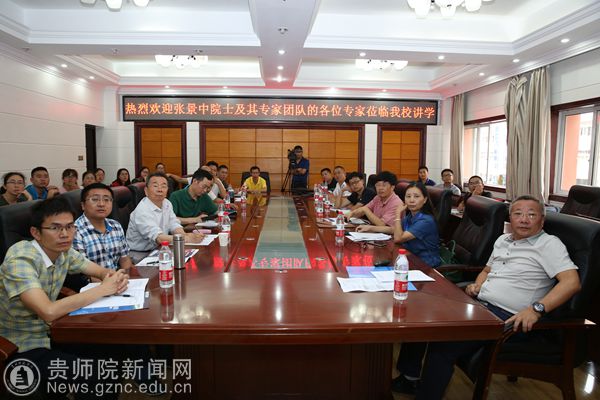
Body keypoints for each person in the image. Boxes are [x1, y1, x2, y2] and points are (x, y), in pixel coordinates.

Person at [393, 195, 581, 399]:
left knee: (443, 343)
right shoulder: (503, 240)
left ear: (542, 221)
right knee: (425, 317)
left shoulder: (549, 244)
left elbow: (571, 282)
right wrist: (478, 284)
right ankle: (409, 378)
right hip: (481, 306)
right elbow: (487, 270)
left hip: (509, 318)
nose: (524, 219)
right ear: (510, 218)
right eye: (518, 214)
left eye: (531, 215)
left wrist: (536, 309)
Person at [0, 197, 129, 398]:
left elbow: (98, 270)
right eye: (55, 228)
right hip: (21, 345)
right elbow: (48, 311)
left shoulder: (64, 251)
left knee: (112, 350)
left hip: (54, 332)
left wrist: (111, 277)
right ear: (36, 233)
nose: (65, 234)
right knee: (95, 373)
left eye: (70, 227)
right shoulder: (20, 259)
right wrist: (103, 289)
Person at [127, 172, 204, 251]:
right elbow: (159, 238)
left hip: (159, 248)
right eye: (155, 186)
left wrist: (185, 235)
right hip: (140, 253)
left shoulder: (166, 203)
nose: (160, 190)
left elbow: (173, 223)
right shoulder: (142, 210)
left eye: (163, 186)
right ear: (146, 191)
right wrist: (186, 239)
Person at [73, 183, 133, 272]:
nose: (101, 204)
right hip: (93, 280)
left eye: (106, 199)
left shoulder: (115, 226)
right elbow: (82, 271)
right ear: (83, 205)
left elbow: (125, 260)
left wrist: (127, 277)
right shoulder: (75, 231)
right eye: (95, 199)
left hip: (117, 278)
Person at [393, 182, 440, 267]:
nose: (411, 200)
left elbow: (398, 238)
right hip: (411, 258)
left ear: (425, 200)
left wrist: (397, 214)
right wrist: (371, 228)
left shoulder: (426, 221)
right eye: (408, 196)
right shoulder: (410, 216)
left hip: (426, 264)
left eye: (416, 196)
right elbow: (396, 230)